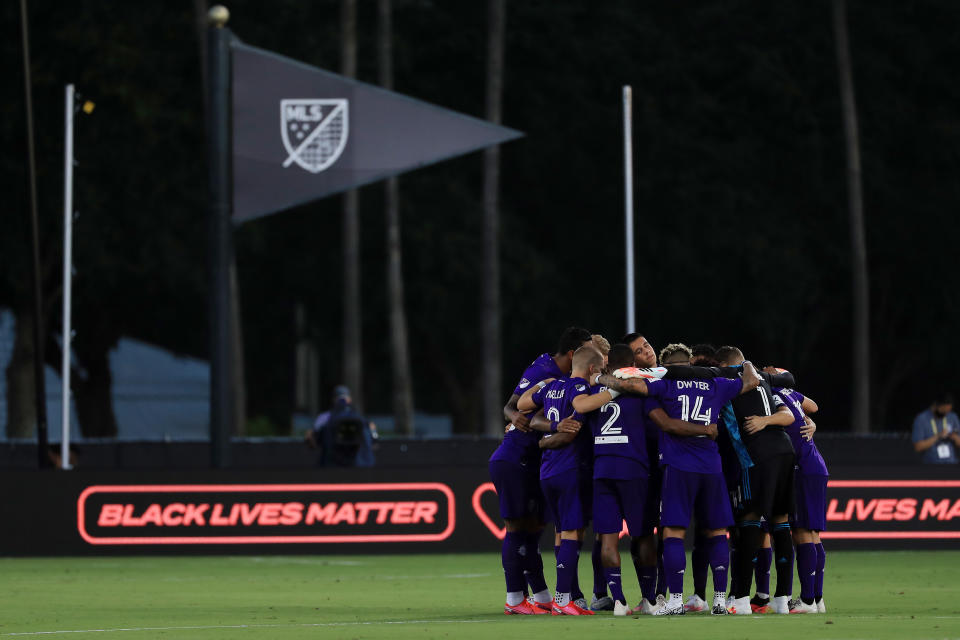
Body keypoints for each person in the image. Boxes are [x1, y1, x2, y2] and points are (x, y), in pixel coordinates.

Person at [490, 326, 592, 615]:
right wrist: (526, 421)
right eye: (585, 352)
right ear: (573, 354)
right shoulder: (544, 371)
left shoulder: (561, 377)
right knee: (517, 529)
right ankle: (514, 599)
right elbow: (512, 407)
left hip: (535, 460)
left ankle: (543, 596)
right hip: (515, 458)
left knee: (534, 530)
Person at [517, 345, 616, 615]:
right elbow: (580, 408)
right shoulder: (581, 389)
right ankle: (563, 599)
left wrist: (544, 385)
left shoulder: (552, 387)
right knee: (573, 532)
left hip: (547, 471)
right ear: (594, 369)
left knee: (562, 533)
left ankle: (566, 597)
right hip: (570, 467)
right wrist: (614, 389)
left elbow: (523, 404)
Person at [773, 382, 826, 614]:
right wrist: (806, 417)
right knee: (812, 534)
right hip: (815, 465)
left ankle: (806, 600)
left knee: (802, 532)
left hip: (802, 468)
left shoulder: (773, 392)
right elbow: (813, 406)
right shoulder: (789, 393)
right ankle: (816, 598)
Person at [305, 385, 375, 467]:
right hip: (360, 466)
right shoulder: (361, 419)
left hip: (332, 466)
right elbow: (374, 442)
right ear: (349, 400)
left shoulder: (324, 418)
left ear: (334, 400)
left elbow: (313, 442)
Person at [912, 394, 960, 464]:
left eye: (948, 411)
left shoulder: (952, 417)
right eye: (943, 411)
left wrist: (955, 437)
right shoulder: (921, 419)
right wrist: (938, 436)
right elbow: (918, 447)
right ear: (935, 405)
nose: (946, 414)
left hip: (951, 463)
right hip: (932, 465)